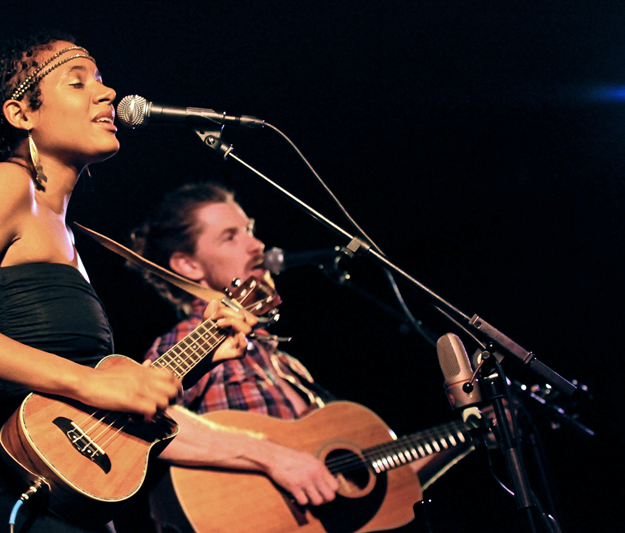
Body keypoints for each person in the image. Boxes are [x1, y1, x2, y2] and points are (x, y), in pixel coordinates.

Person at [0, 33, 255, 533]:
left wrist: (200, 355)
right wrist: (90, 381)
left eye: (102, 81)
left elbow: (88, 404)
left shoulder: (68, 235)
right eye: (78, 82)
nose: (108, 94)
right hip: (14, 502)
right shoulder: (6, 183)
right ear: (21, 114)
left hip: (75, 499)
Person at [130, 182, 474, 531]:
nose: (257, 245)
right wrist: (273, 457)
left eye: (249, 229)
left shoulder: (285, 364)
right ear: (188, 264)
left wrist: (473, 431)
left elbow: (377, 487)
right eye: (230, 237)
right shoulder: (191, 339)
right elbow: (137, 417)